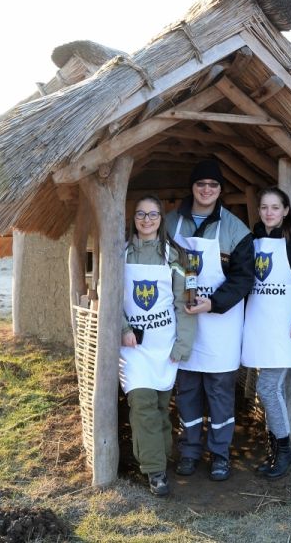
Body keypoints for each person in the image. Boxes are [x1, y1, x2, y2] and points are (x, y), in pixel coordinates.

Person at [165, 159, 255, 481]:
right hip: (184, 323)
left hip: (221, 325)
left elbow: (244, 278)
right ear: (192, 187)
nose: (206, 190)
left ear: (220, 190)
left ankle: (219, 454)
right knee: (187, 389)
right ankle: (189, 450)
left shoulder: (235, 229)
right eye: (201, 184)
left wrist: (213, 303)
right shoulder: (171, 222)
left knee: (219, 392)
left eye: (213, 185)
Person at [241, 187, 291, 479]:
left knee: (267, 389)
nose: (269, 213)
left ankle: (285, 451)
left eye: (276, 207)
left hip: (288, 329)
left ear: (286, 210)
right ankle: (277, 451)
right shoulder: (253, 241)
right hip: (261, 326)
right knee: (275, 391)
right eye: (264, 207)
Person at [121, 195, 197, 497]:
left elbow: (185, 304)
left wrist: (182, 343)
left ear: (161, 218)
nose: (147, 220)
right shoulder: (120, 255)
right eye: (141, 214)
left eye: (153, 214)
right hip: (133, 347)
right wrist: (123, 329)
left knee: (161, 407)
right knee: (142, 404)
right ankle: (155, 472)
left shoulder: (176, 257)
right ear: (134, 218)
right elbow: (108, 295)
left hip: (164, 345)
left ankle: (160, 458)